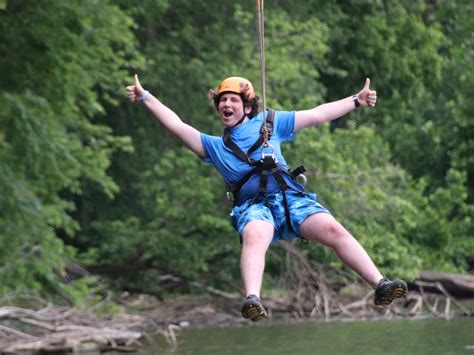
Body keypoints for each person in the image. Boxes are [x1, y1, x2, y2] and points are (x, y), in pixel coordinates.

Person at [126, 75, 408, 322]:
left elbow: (317, 114)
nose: (226, 105)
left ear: (247, 106)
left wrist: (355, 101)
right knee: (256, 235)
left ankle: (380, 284)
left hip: (290, 199)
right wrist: (146, 97)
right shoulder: (213, 147)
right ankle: (253, 299)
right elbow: (175, 125)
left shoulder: (271, 123)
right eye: (222, 100)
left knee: (333, 229)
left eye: (233, 100)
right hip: (254, 207)